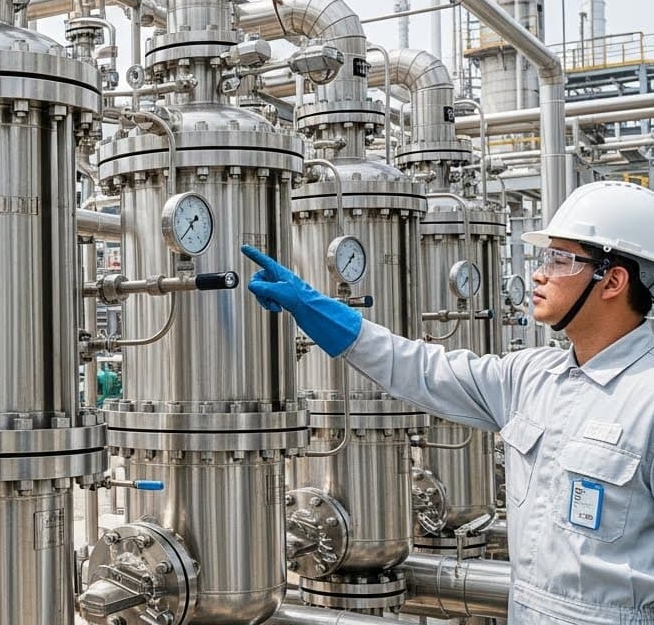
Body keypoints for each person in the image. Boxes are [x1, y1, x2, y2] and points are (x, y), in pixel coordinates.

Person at [241, 180, 654, 624]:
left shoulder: (645, 397)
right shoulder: (530, 377)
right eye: (544, 257)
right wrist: (311, 307)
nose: (539, 273)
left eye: (560, 259)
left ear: (612, 280)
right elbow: (416, 368)